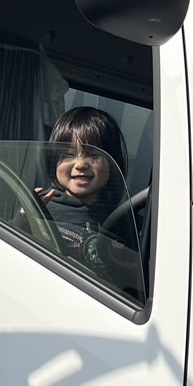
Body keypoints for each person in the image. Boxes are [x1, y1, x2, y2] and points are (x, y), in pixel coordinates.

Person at [37, 109, 142, 288]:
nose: (80, 164)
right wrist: (23, 219)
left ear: (113, 162)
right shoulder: (42, 208)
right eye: (68, 154)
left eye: (93, 155)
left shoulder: (126, 220)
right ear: (54, 160)